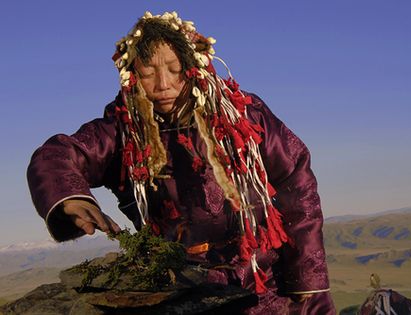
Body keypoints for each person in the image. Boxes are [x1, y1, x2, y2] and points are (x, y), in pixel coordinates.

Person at [27, 11, 336, 314]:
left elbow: (297, 181)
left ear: (193, 67)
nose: (162, 84)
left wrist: (306, 277)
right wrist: (69, 197)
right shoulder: (122, 130)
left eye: (174, 69)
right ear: (132, 75)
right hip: (181, 287)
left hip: (268, 282)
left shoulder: (243, 116)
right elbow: (57, 155)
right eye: (147, 72)